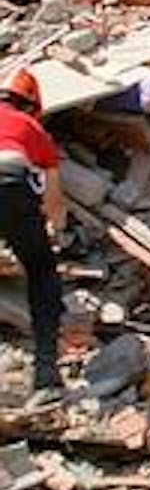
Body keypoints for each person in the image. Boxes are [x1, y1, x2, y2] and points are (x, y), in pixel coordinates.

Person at [0, 68, 67, 404]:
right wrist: (55, 231)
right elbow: (53, 198)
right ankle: (46, 376)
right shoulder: (32, 128)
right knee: (41, 272)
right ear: (29, 105)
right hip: (11, 184)